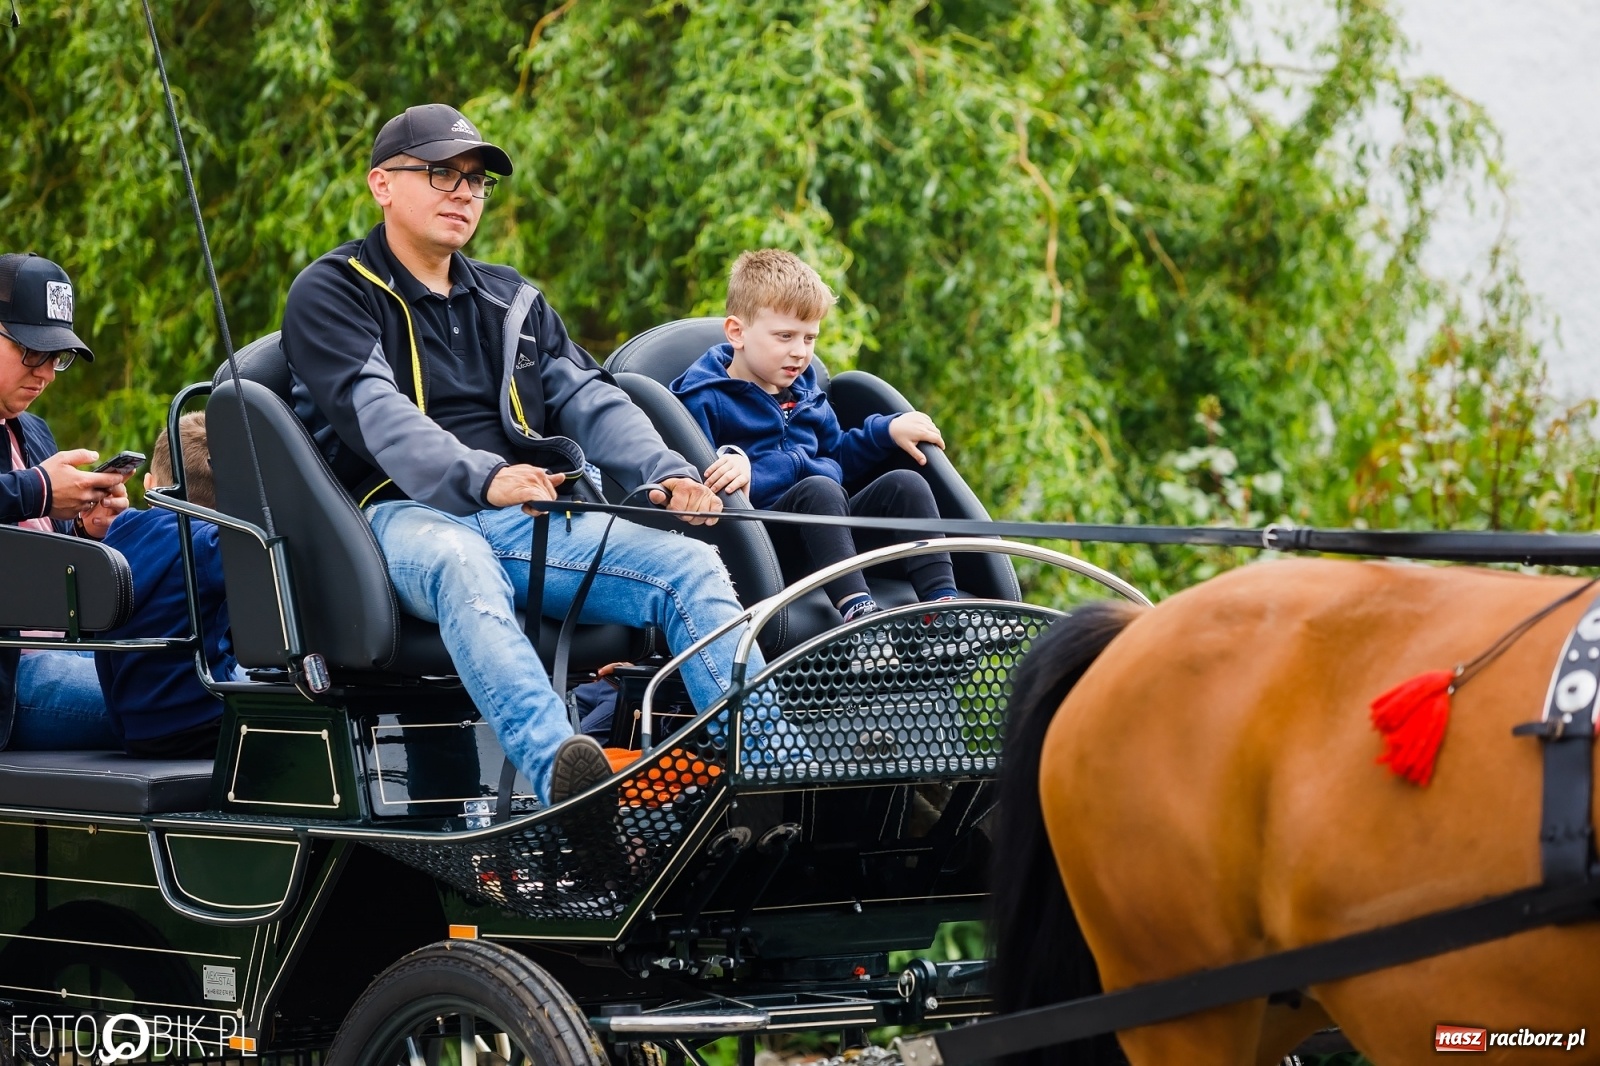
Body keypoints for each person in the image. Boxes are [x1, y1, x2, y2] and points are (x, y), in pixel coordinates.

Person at [280, 103, 763, 806]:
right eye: (442, 173)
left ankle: (769, 773)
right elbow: (376, 413)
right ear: (382, 184)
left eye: (477, 182)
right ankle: (570, 783)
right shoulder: (333, 292)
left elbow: (591, 400)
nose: (464, 194)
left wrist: (669, 474)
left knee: (690, 562)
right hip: (391, 518)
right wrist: (484, 477)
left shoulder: (512, 299)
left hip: (527, 514)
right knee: (460, 561)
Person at [671, 249, 959, 622]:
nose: (799, 353)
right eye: (785, 336)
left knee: (905, 484)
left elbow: (837, 454)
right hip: (764, 548)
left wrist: (885, 431)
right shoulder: (706, 397)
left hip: (830, 536)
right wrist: (736, 464)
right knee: (819, 487)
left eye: (809, 339)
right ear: (737, 333)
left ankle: (945, 610)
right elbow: (689, 476)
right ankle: (858, 614)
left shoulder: (806, 393)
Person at [0, 252, 130, 750]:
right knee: (171, 705)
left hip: (71, 648)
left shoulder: (33, 430)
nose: (48, 374)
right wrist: (40, 490)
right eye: (33, 352)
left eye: (57, 358)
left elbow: (32, 553)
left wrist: (83, 528)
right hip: (13, 680)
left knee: (200, 678)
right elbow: (30, 494)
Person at [95, 413, 239, 758]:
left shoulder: (117, 536)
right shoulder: (212, 546)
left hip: (138, 729)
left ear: (148, 485)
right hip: (203, 723)